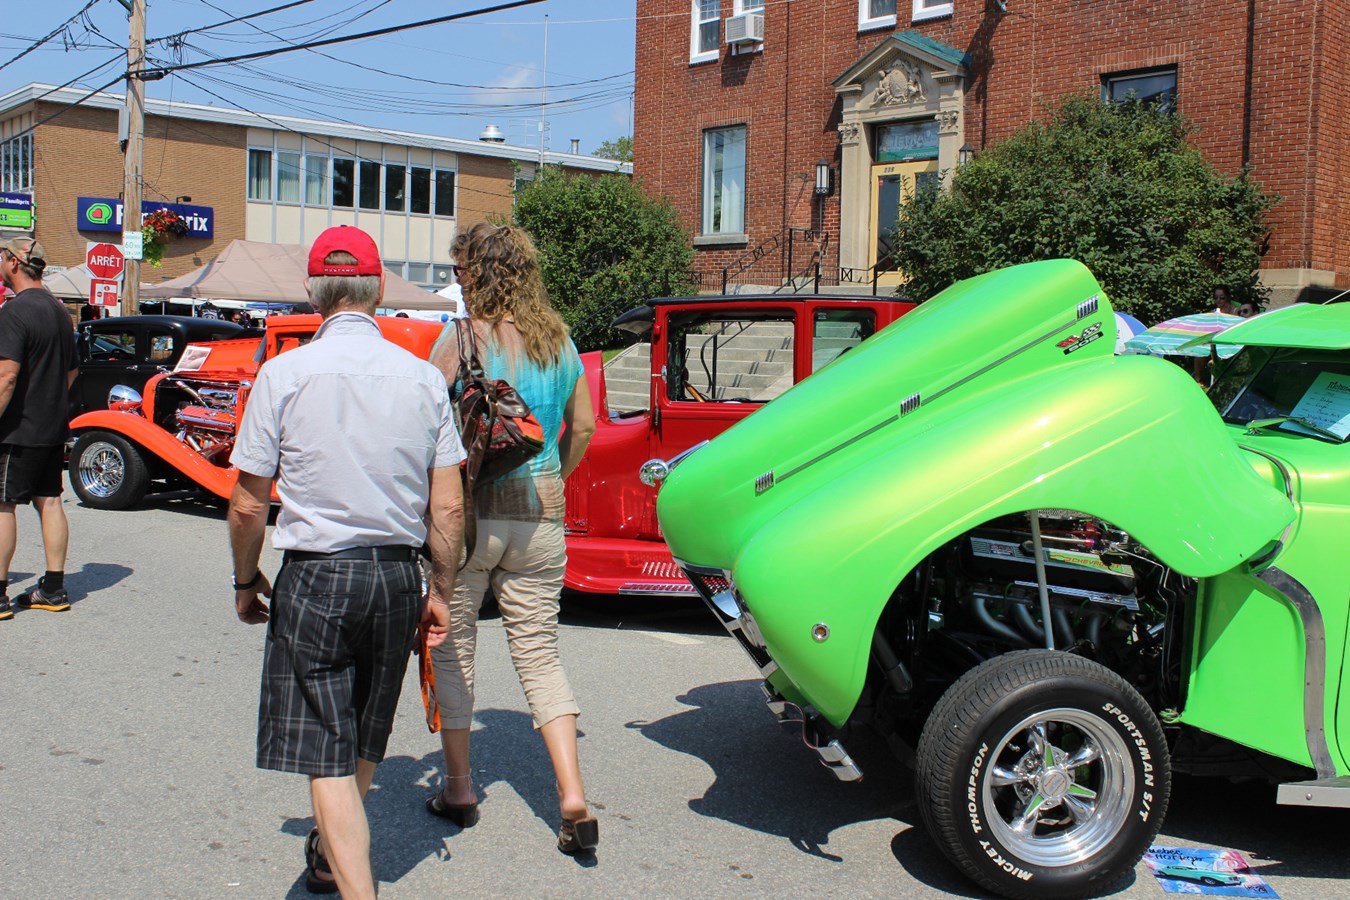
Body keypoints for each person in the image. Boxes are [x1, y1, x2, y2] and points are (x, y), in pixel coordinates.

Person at [227, 225, 465, 897]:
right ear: (380, 289)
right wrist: (439, 590)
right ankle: (332, 856)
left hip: (318, 572)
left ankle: (355, 885)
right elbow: (447, 509)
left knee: (325, 752)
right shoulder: (422, 380)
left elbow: (247, 506)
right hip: (395, 575)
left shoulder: (284, 374)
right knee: (364, 728)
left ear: (312, 291)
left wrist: (246, 580)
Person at [426, 222, 598, 853]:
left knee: (453, 648)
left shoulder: (459, 340)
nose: (460, 281)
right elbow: (583, 427)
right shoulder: (559, 342)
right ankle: (573, 797)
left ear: (478, 273)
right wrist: (552, 474)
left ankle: (461, 788)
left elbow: (422, 426)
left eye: (463, 270)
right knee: (540, 653)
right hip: (540, 515)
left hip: (466, 516)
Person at [0, 239, 78, 621]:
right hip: (52, 425)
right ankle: (53, 586)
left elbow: (7, 375)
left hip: (16, 428)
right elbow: (72, 371)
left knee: (2, 504)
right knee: (49, 500)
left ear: (14, 262)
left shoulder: (14, 312)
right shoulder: (60, 312)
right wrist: (49, 401)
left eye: (2, 256)